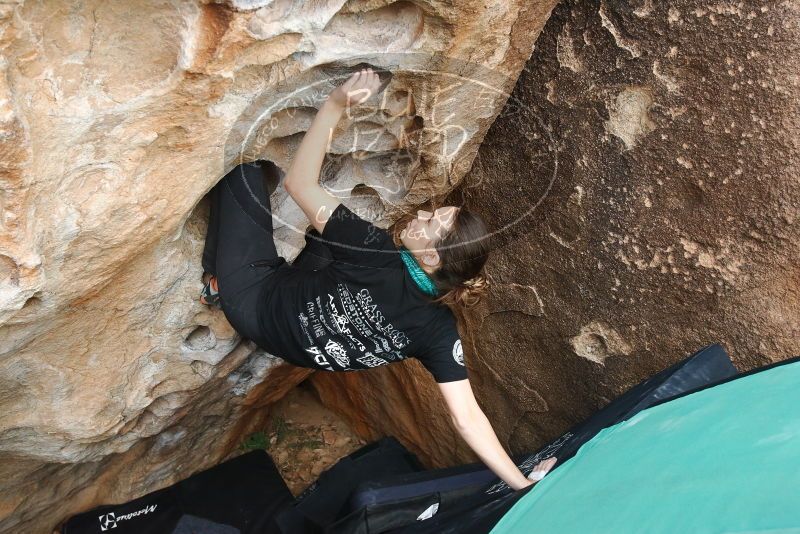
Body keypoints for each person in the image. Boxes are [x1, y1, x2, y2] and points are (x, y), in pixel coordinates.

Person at [200, 68, 556, 490]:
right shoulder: (440, 330)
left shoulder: (374, 251)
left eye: (432, 222)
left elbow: (299, 182)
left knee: (246, 175)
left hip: (256, 300)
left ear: (428, 255)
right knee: (323, 241)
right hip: (297, 348)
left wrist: (336, 105)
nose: (423, 213)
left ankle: (216, 283)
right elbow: (466, 418)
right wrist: (521, 483)